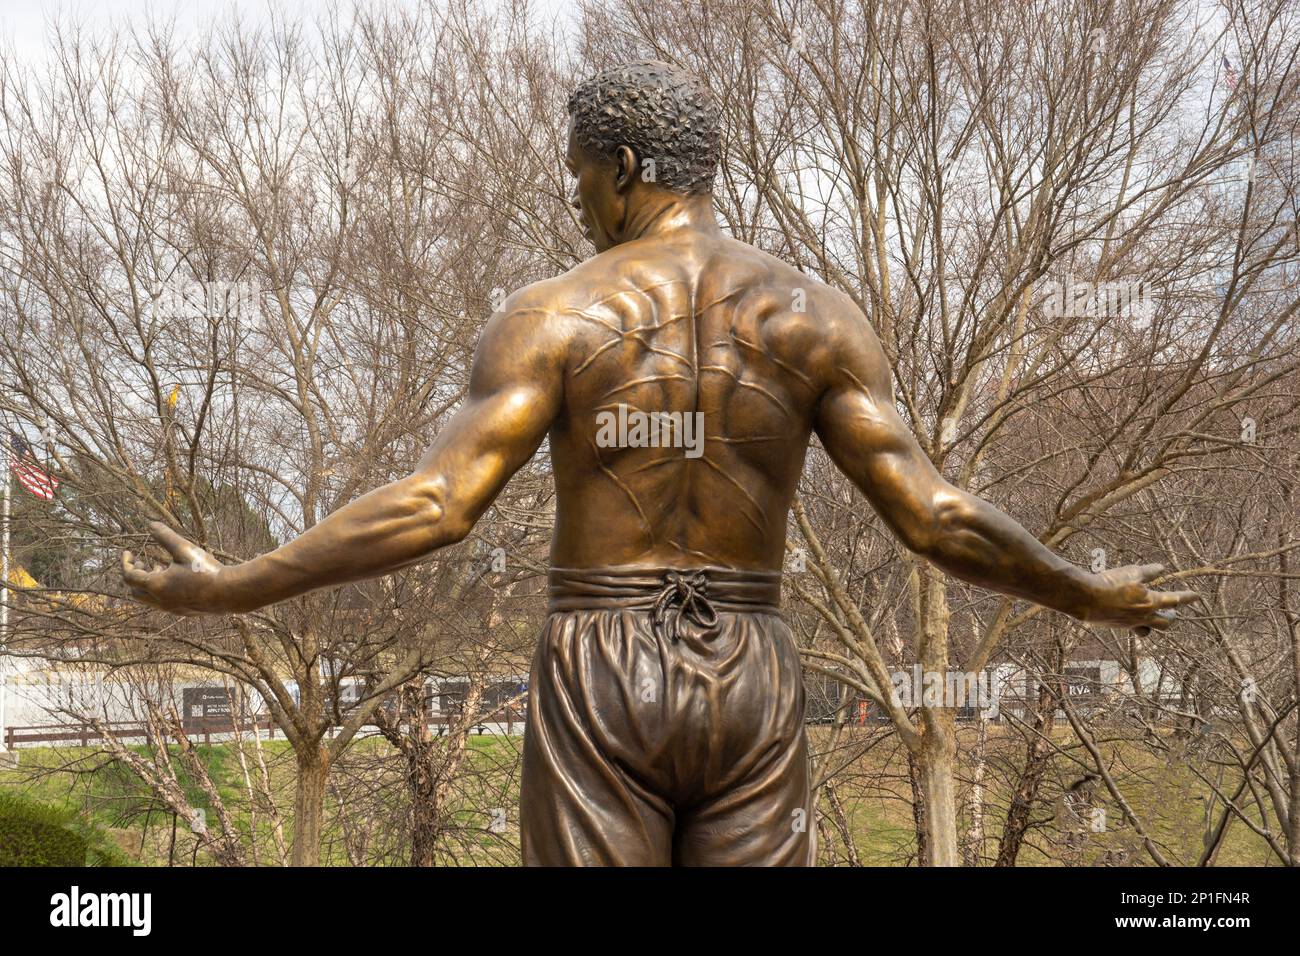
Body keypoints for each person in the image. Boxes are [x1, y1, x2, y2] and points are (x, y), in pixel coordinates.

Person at [122, 60, 1198, 866]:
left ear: (625, 170)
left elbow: (440, 503)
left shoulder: (553, 314)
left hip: (603, 663)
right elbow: (935, 515)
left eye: (580, 177)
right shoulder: (816, 317)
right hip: (756, 669)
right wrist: (1082, 590)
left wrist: (235, 583)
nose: (576, 200)